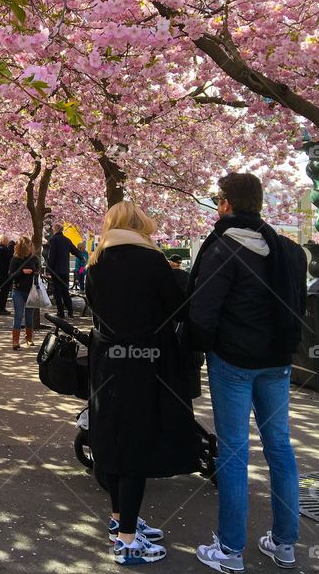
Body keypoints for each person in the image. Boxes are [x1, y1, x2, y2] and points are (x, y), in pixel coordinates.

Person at [190, 173, 307, 573]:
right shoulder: (288, 250)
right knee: (280, 447)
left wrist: (198, 346)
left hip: (234, 362)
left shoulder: (223, 249)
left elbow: (202, 313)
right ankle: (285, 543)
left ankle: (230, 549)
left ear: (225, 203)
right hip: (277, 362)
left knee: (235, 452)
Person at [85, 201, 201, 565]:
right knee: (137, 442)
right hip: (145, 361)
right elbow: (177, 308)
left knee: (114, 436)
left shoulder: (96, 261)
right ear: (140, 225)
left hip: (107, 361)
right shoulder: (151, 260)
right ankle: (128, 541)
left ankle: (121, 518)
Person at [4, 236, 40, 349]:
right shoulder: (15, 259)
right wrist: (22, 271)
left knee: (29, 316)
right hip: (18, 290)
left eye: (30, 247)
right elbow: (11, 276)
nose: (29, 249)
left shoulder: (34, 259)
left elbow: (38, 271)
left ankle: (29, 338)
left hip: (31, 291)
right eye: (27, 247)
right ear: (21, 248)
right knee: (18, 316)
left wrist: (35, 272)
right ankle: (15, 341)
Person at [46, 223, 78, 318]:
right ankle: (70, 311)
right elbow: (74, 250)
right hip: (65, 270)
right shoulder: (67, 240)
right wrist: (81, 257)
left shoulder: (54, 240)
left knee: (57, 292)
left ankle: (61, 312)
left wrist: (48, 268)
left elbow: (51, 255)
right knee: (65, 290)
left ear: (56, 229)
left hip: (56, 270)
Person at [0, 235, 14, 315]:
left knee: (4, 291)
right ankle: (0, 309)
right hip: (4, 273)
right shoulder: (3, 249)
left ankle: (1, 308)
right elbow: (9, 257)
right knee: (4, 291)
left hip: (1, 272)